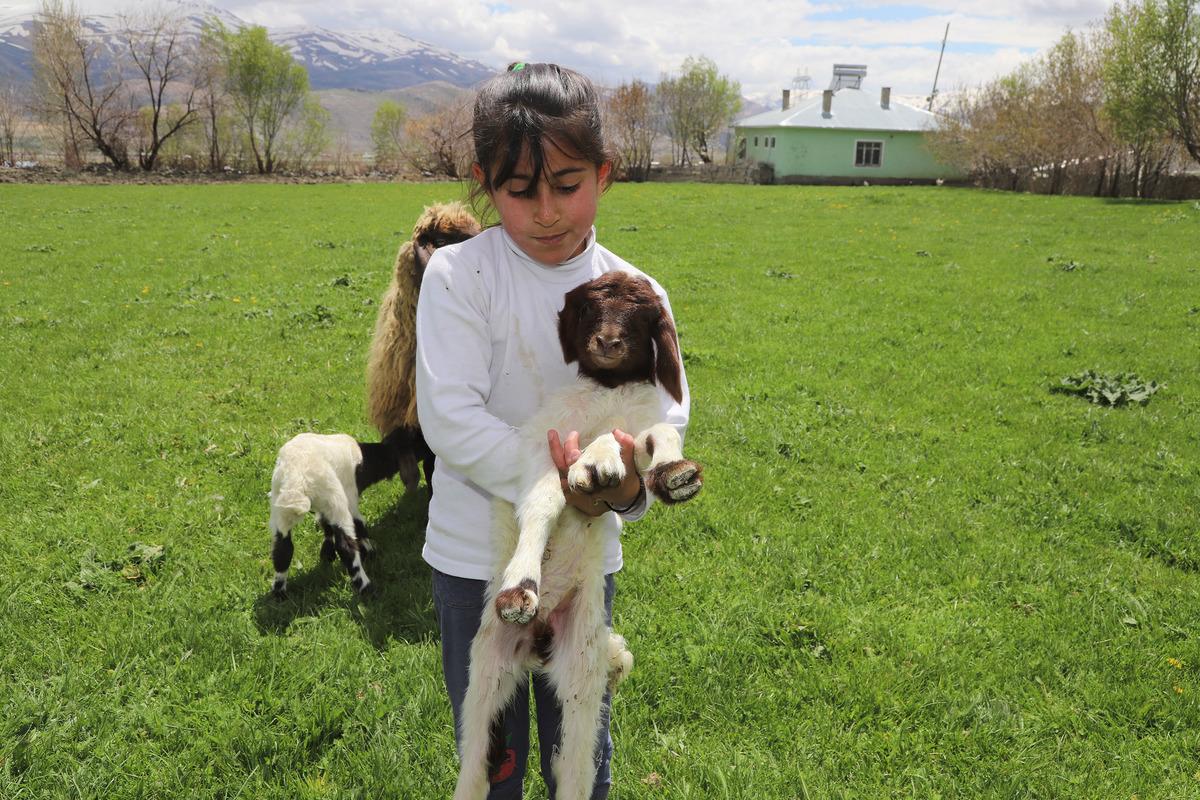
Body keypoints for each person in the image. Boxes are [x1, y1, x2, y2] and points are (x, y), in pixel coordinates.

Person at [414, 61, 689, 799]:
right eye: (518, 189)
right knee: (493, 753)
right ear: (483, 180)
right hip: (476, 563)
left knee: (581, 740)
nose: (544, 211)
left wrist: (623, 489)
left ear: (605, 174)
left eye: (566, 185)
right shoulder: (459, 278)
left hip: (586, 565)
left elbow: (661, 418)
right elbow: (451, 420)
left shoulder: (639, 295)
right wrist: (568, 485)